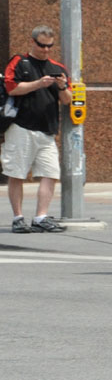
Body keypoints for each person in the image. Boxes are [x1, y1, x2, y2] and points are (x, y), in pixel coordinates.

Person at [2, 25, 71, 233]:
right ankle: (18, 217)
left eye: (50, 46)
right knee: (17, 173)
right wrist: (39, 83)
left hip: (47, 130)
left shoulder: (58, 68)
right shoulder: (19, 62)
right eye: (42, 45)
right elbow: (12, 88)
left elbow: (67, 100)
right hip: (20, 127)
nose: (46, 50)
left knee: (50, 173)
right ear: (32, 42)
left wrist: (61, 86)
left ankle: (41, 216)